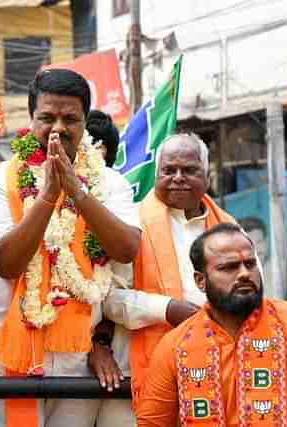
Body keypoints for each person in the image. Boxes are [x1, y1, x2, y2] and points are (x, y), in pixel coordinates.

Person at [0, 68, 140, 427]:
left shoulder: (109, 183)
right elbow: (6, 264)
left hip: (76, 358)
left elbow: (127, 249)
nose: (58, 128)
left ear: (84, 123)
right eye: (47, 118)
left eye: (70, 119)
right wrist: (49, 195)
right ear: (31, 118)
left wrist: (77, 192)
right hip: (6, 354)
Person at [137, 223, 287, 427]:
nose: (245, 273)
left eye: (250, 264)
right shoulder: (175, 346)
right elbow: (153, 421)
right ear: (201, 281)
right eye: (228, 267)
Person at [98, 133, 236, 414]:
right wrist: (167, 309)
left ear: (207, 175)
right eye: (169, 170)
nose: (178, 178)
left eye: (189, 170)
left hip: (216, 372)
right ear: (157, 173)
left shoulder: (231, 231)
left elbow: (249, 295)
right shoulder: (130, 224)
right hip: (135, 380)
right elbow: (108, 297)